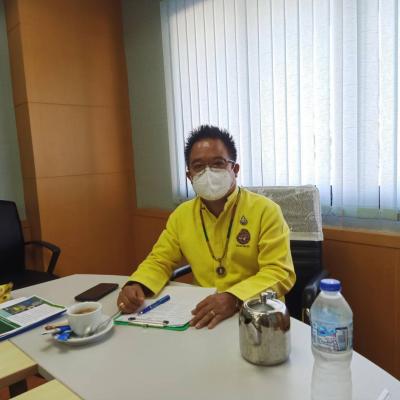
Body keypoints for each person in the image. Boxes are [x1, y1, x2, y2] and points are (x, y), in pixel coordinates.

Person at [117, 125, 295, 329]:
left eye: (218, 163)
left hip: (258, 315)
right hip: (204, 314)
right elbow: (160, 260)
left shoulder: (266, 210)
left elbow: (279, 272)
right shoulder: (182, 215)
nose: (208, 173)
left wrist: (234, 298)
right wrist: (137, 284)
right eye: (198, 166)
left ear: (235, 169)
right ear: (189, 176)